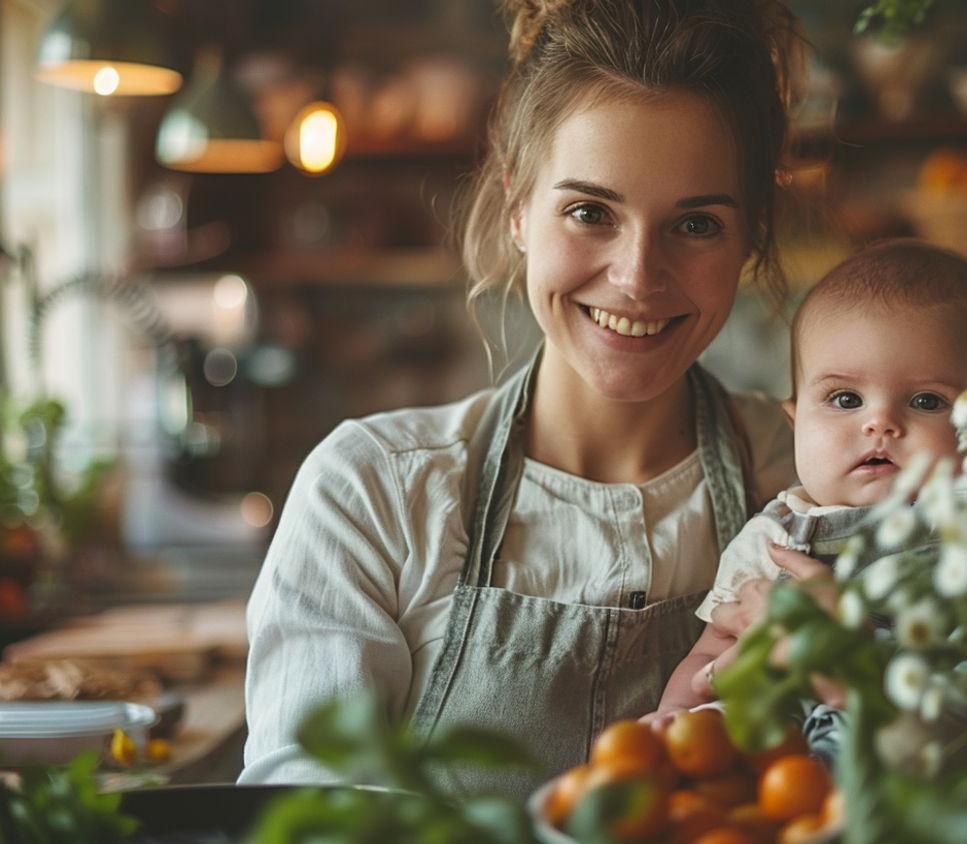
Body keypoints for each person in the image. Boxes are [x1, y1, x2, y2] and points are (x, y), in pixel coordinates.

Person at [241, 0, 805, 796]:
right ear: (517, 208)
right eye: (589, 211)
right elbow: (311, 814)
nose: (637, 276)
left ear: (751, 234)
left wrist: (868, 683)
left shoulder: (815, 488)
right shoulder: (373, 491)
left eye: (697, 224)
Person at [647, 239, 967, 722]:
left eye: (927, 401)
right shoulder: (774, 537)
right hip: (772, 763)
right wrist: (675, 712)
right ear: (794, 423)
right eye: (845, 399)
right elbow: (713, 647)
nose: (880, 423)